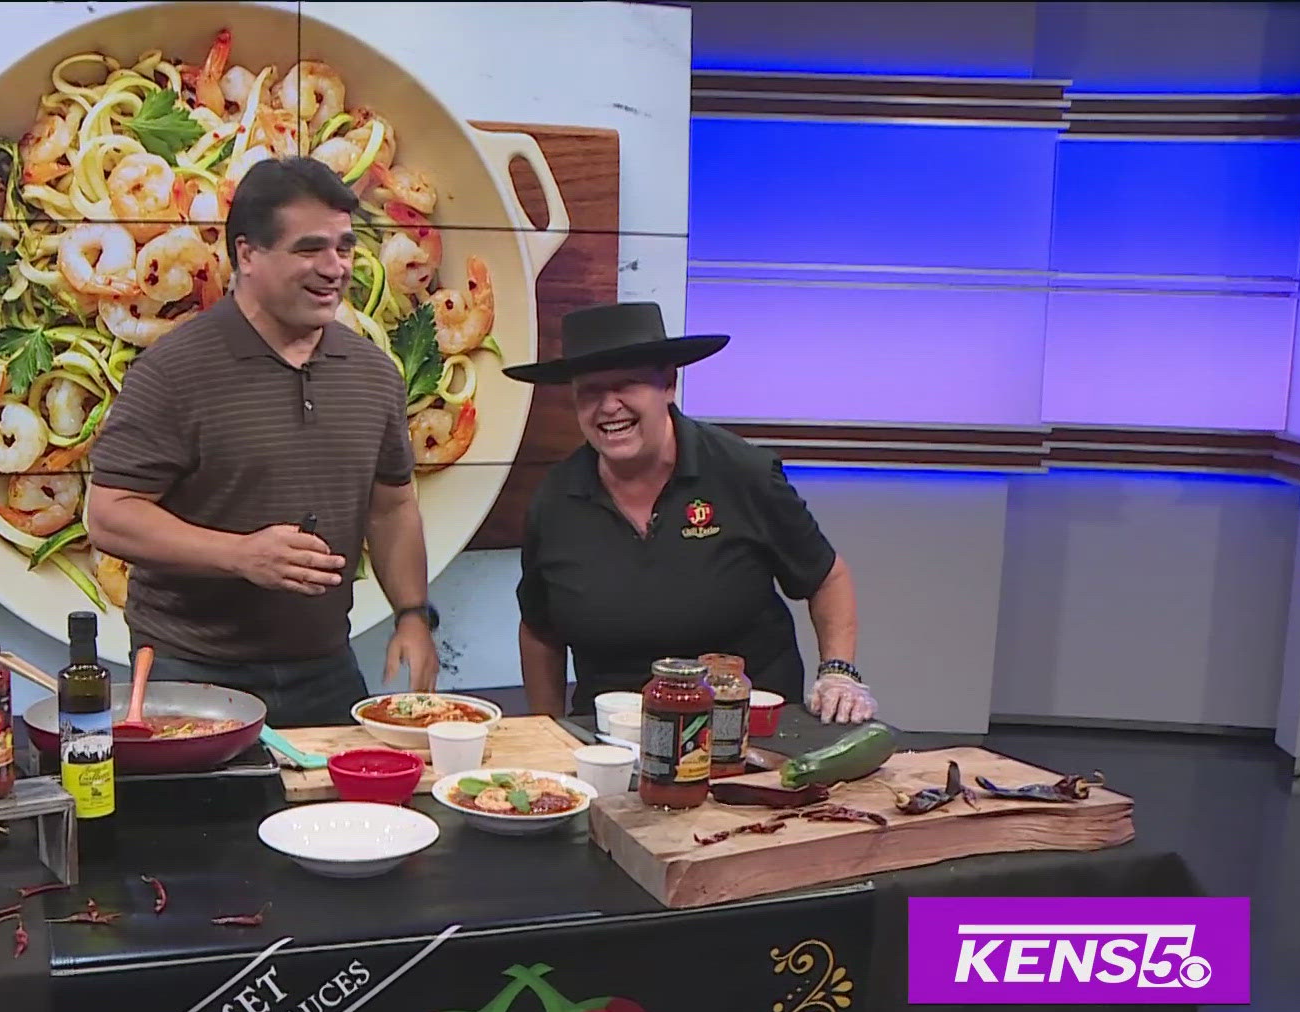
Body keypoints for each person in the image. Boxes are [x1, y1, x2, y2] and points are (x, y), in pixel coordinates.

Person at [84, 156, 439, 728]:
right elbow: (110, 516)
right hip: (190, 669)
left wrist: (414, 617)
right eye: (309, 249)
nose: (334, 268)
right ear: (247, 254)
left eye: (345, 248)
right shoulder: (173, 370)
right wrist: (242, 556)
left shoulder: (375, 374)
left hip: (325, 668)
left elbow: (392, 505)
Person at [503, 302, 876, 724]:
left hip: (749, 735)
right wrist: (547, 732)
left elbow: (827, 576)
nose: (609, 406)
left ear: (668, 384)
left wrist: (838, 673)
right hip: (614, 739)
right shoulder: (554, 502)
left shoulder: (742, 473)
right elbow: (539, 630)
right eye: (590, 390)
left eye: (627, 384)